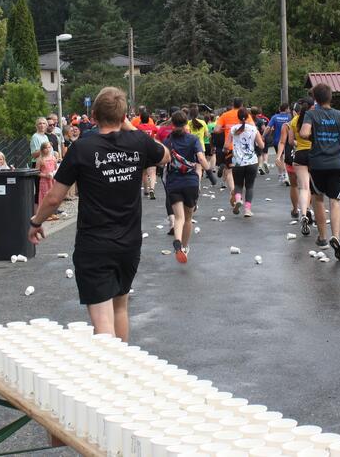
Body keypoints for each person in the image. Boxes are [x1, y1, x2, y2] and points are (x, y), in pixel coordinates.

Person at [30, 86, 169, 341]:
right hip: (129, 242)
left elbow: (53, 197)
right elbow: (165, 155)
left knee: (102, 318)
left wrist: (36, 221)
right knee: (120, 307)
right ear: (124, 115)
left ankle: (112, 373)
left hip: (94, 244)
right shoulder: (138, 142)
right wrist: (129, 127)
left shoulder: (82, 148)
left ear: (93, 115)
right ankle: (122, 369)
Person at [299, 83, 340, 260]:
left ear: (316, 99)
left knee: (318, 200)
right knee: (335, 202)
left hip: (317, 164)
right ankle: (337, 236)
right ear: (330, 97)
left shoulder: (311, 114)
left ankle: (322, 238)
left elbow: (304, 134)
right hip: (337, 164)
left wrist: (314, 134)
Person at [164, 110, 209, 262]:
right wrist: (209, 169)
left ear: (172, 124)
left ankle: (177, 243)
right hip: (190, 182)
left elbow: (162, 161)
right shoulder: (193, 139)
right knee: (188, 218)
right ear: (186, 123)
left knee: (178, 217)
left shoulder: (168, 141)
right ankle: (184, 246)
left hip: (173, 182)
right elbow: (201, 159)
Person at [226, 107, 265, 217]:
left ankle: (238, 199)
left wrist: (227, 150)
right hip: (252, 161)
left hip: (238, 162)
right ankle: (247, 210)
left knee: (238, 184)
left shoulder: (233, 129)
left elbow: (226, 145)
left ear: (237, 117)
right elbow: (261, 145)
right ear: (248, 116)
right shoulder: (253, 129)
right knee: (250, 186)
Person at [288, 98, 315, 235]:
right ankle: (314, 212)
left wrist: (298, 143)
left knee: (304, 187)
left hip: (299, 155)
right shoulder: (314, 119)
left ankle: (304, 213)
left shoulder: (294, 121)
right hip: (315, 154)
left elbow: (290, 141)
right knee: (315, 188)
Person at [133, 107, 159, 199]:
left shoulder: (137, 127)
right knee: (152, 172)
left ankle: (146, 190)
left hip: (141, 151)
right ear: (148, 119)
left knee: (144, 173)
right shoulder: (152, 127)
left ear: (141, 119)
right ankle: (152, 188)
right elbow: (158, 132)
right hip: (151, 150)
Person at [268, 103, 292, 186]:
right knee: (287, 158)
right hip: (288, 140)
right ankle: (286, 175)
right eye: (288, 109)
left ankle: (281, 174)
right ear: (286, 109)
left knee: (280, 158)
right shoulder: (290, 117)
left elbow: (268, 127)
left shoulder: (274, 117)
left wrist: (263, 136)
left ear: (279, 109)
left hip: (277, 140)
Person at [36, 142, 58, 211]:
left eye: (49, 147)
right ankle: (44, 212)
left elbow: (56, 168)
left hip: (52, 180)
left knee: (52, 196)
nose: (47, 149)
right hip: (44, 181)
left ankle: (51, 212)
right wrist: (45, 175)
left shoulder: (53, 158)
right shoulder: (40, 159)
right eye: (45, 148)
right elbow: (37, 172)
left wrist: (53, 174)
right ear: (42, 149)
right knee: (45, 196)